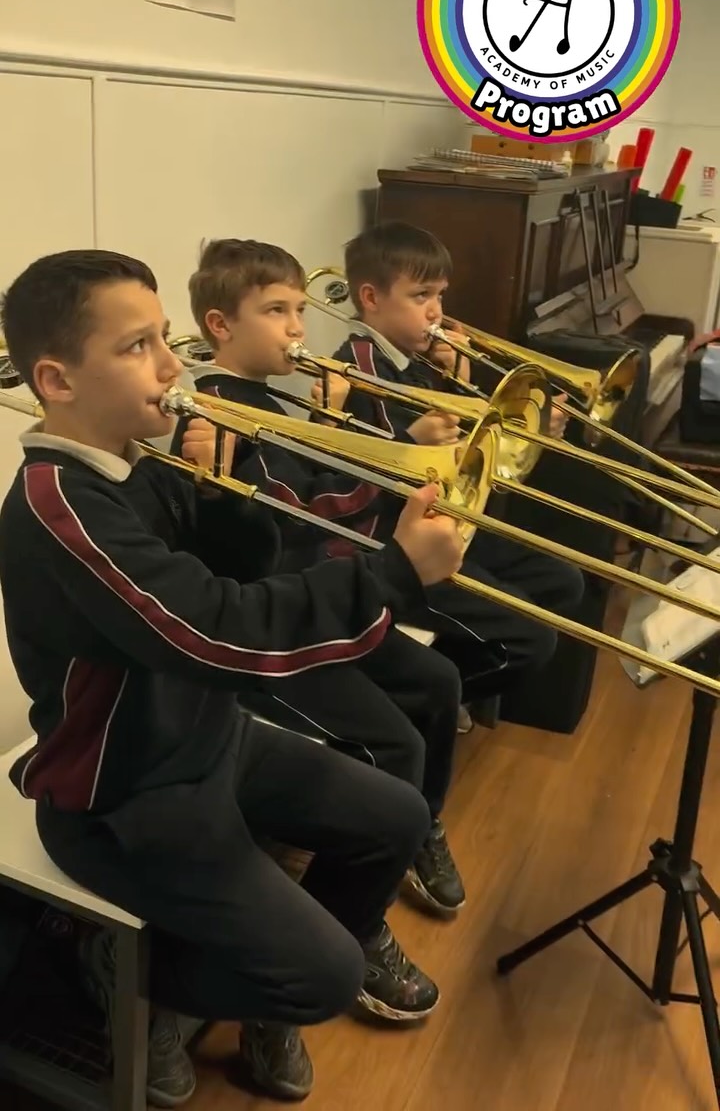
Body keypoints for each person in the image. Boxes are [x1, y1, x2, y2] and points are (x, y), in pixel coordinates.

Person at [0, 250, 464, 1105]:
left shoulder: (137, 466)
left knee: (394, 815)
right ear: (57, 380)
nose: (173, 367)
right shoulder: (55, 505)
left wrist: (221, 495)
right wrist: (392, 574)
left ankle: (257, 960)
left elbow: (244, 572)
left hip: (205, 736)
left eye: (162, 340)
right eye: (139, 346)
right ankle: (139, 980)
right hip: (123, 792)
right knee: (321, 981)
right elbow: (211, 628)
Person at [173, 237, 465, 917]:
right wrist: (357, 429)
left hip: (320, 601)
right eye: (277, 311)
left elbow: (316, 495)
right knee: (390, 742)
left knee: (439, 684)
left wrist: (332, 423)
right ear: (221, 326)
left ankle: (421, 826)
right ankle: (350, 915)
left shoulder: (270, 405)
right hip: (274, 632)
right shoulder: (221, 415)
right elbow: (315, 513)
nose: (299, 329)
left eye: (300, 310)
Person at [332, 220, 586, 712]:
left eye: (440, 295)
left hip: (445, 518)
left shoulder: (418, 358)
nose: (436, 312)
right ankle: (426, 706)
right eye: (421, 294)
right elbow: (402, 470)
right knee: (533, 639)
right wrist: (417, 435)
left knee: (563, 581)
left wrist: (469, 388)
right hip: (395, 539)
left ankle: (455, 677)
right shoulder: (357, 366)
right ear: (371, 298)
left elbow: (465, 456)